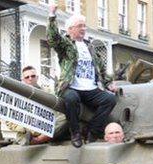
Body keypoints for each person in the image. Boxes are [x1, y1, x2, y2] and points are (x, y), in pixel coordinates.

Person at [47, 3, 117, 148]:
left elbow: (100, 67)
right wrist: (52, 16)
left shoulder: (89, 46)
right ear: (70, 29)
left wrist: (109, 82)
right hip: (71, 86)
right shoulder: (66, 45)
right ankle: (75, 133)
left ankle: (93, 131)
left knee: (109, 99)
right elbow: (53, 39)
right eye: (80, 26)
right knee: (71, 99)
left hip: (90, 88)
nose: (83, 29)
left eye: (84, 26)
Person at [7, 65, 68, 145]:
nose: (30, 79)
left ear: (37, 77)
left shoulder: (47, 92)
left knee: (65, 117)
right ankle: (35, 140)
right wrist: (26, 128)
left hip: (46, 127)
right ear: (23, 80)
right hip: (27, 132)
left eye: (33, 76)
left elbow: (57, 111)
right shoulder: (17, 97)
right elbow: (9, 121)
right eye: (27, 77)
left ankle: (39, 140)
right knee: (23, 139)